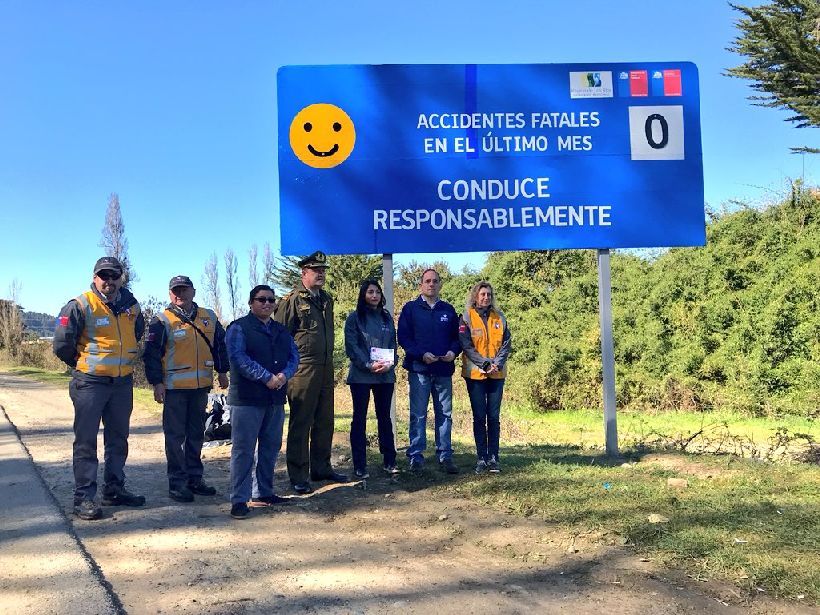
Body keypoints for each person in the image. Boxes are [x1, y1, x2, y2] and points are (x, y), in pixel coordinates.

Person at [53, 256, 146, 520]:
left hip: (122, 383)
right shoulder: (78, 305)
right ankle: (83, 498)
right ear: (95, 278)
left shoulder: (131, 305)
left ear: (120, 278)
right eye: (103, 275)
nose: (109, 280)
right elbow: (61, 344)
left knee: (118, 439)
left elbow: (135, 334)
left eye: (114, 275)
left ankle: (114, 490)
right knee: (86, 441)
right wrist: (82, 364)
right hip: (90, 383)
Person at [143, 275, 229, 502]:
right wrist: (157, 383)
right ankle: (177, 483)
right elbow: (151, 355)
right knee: (175, 437)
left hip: (201, 389)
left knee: (196, 435)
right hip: (174, 389)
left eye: (183, 290)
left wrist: (222, 371)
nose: (179, 294)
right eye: (175, 291)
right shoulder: (162, 320)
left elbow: (220, 345)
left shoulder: (208, 317)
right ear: (170, 294)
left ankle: (195, 478)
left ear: (193, 292)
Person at [274, 250, 348, 494]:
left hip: (325, 367)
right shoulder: (292, 300)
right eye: (316, 271)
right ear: (304, 273)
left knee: (325, 420)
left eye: (323, 271)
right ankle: (298, 475)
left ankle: (321, 468)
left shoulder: (326, 299)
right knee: (301, 422)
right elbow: (280, 336)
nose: (321, 275)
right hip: (302, 368)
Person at [226, 285, 299, 519]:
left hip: (275, 399)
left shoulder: (281, 330)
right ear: (251, 303)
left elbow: (294, 357)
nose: (266, 303)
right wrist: (266, 377)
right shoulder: (239, 328)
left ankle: (263, 492)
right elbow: (238, 358)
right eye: (261, 299)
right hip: (247, 400)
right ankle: (239, 499)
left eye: (270, 300)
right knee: (243, 450)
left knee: (270, 447)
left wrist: (283, 376)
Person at [397, 268, 461, 474]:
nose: (431, 284)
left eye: (435, 281)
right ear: (420, 285)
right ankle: (416, 455)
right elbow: (404, 339)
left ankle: (445, 455)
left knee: (445, 414)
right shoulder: (410, 309)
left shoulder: (448, 310)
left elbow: (457, 338)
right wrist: (421, 354)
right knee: (418, 414)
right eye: (427, 281)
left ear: (440, 284)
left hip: (443, 370)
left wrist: (453, 351)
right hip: (419, 370)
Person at [344, 279, 399, 478]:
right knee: (359, 419)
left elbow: (393, 345)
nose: (374, 295)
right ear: (363, 295)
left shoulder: (387, 318)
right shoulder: (354, 318)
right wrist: (368, 365)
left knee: (385, 418)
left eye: (377, 292)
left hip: (385, 376)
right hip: (361, 376)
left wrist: (392, 362)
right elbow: (352, 347)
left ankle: (390, 460)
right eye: (370, 292)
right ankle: (360, 464)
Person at [459, 281, 511, 474]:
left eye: (489, 294)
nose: (486, 297)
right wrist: (484, 364)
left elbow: (506, 343)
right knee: (479, 417)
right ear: (475, 296)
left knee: (494, 417)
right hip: (475, 376)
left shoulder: (500, 317)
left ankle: (494, 457)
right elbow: (466, 345)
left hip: (497, 375)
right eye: (482, 294)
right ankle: (481, 457)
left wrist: (496, 362)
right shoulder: (466, 317)